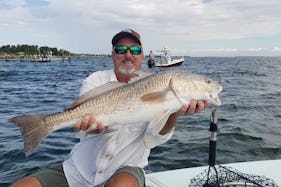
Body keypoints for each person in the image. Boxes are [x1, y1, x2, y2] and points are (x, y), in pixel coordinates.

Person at [11, 28, 209, 187]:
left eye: (135, 50)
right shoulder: (95, 80)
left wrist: (174, 111)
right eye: (121, 50)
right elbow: (84, 125)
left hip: (127, 168)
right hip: (78, 170)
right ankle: (43, 125)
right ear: (113, 54)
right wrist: (92, 127)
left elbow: (152, 139)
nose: (128, 55)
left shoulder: (160, 84)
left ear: (142, 56)